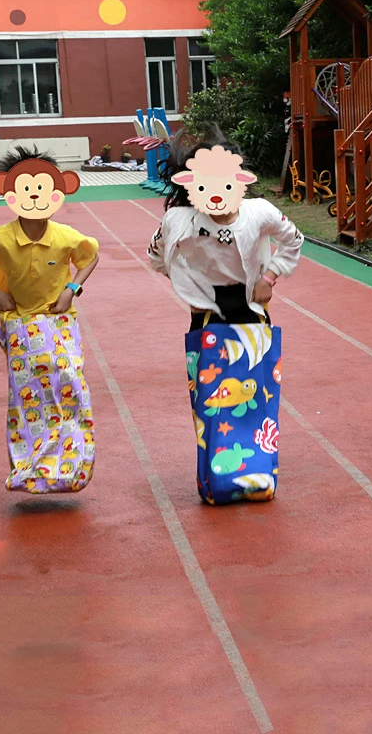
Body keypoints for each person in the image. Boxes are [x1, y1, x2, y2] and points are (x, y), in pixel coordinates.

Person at [147, 128, 303, 503]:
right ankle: (218, 482)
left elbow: (294, 240)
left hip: (252, 318)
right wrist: (189, 281)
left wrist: (269, 277)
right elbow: (156, 256)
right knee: (212, 405)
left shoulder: (259, 212)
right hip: (206, 322)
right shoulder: (179, 220)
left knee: (258, 402)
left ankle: (257, 478)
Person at [0, 146, 99, 493]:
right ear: (11, 193)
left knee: (71, 383)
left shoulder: (65, 236)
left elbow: (90, 256)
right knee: (29, 398)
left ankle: (74, 463)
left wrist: (71, 290)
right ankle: (29, 469)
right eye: (25, 189)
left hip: (59, 321)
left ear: (57, 192)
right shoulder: (1, 239)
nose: (34, 197)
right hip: (19, 323)